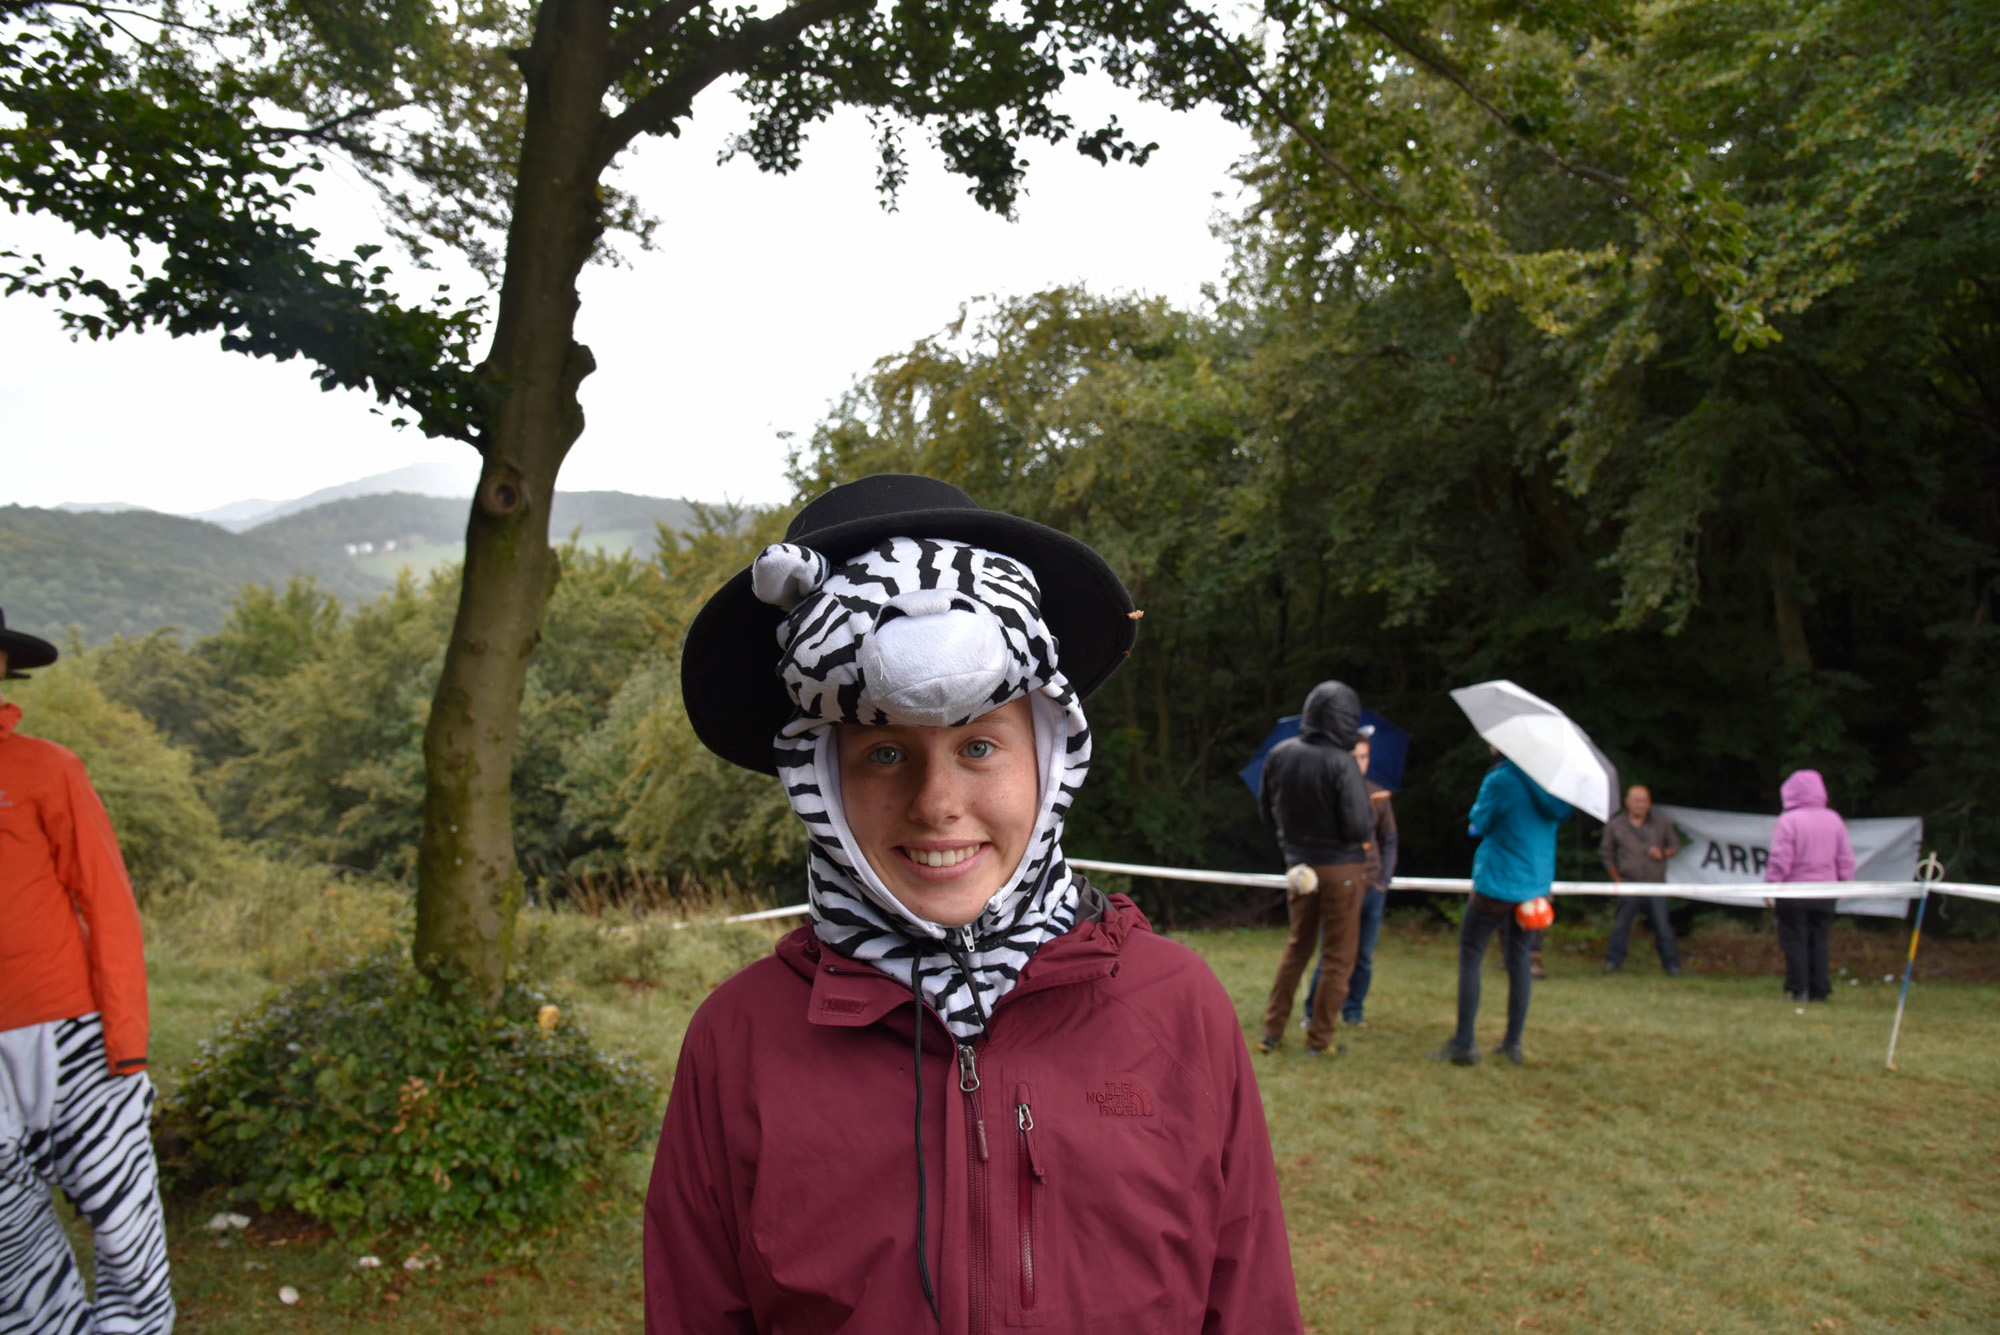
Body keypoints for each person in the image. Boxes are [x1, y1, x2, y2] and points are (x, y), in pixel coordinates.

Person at [645, 475, 1301, 1334]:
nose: (937, 804)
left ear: (1049, 757)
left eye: (980, 745)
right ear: (822, 781)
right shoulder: (737, 1042)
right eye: (884, 753)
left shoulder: (1180, 1009)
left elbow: (1248, 1302)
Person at [0, 609, 176, 1333]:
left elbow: (107, 901)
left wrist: (126, 1042)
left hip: (69, 1028)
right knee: (7, 1231)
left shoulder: (48, 768)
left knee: (123, 1214)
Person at [1255, 681, 1373, 1056]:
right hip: (1342, 870)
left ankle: (1271, 1032)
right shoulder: (1343, 762)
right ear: (1346, 718)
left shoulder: (1280, 754)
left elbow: (1266, 812)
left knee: (1297, 948)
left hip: (1299, 868)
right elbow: (1359, 828)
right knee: (1338, 956)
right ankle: (1319, 1040)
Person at [1433, 750, 1572, 1067]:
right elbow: (1559, 815)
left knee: (1471, 953)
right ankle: (1513, 1043)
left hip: (1497, 881)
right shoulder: (1553, 782)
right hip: (1534, 886)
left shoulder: (1501, 779)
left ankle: (1464, 1043)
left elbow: (1480, 820)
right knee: (1520, 959)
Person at [1302, 734, 1398, 1029]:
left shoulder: (1379, 796)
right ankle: (1313, 1011)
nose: (1359, 762)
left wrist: (1383, 881)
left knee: (1364, 955)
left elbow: (1390, 840)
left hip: (1372, 887)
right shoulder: (1327, 795)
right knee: (1332, 954)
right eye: (1354, 756)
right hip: (1340, 886)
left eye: (1364, 757)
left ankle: (1353, 1010)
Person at [1764, 769, 1855, 1004]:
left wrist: (1770, 885)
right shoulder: (1834, 819)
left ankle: (1798, 989)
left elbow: (1781, 859)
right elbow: (1845, 856)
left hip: (1794, 892)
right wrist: (1845, 883)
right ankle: (1820, 990)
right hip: (1826, 892)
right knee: (1819, 941)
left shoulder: (1788, 821)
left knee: (1795, 941)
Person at [1600, 784, 1683, 975]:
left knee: (1663, 926)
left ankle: (1672, 965)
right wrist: (1617, 880)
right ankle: (1613, 963)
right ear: (1627, 802)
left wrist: (1663, 853)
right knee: (1621, 926)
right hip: (1628, 883)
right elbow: (1607, 854)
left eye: (1645, 801)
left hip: (1656, 884)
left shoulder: (1662, 823)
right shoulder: (1615, 825)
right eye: (1637, 801)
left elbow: (1675, 845)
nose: (1642, 805)